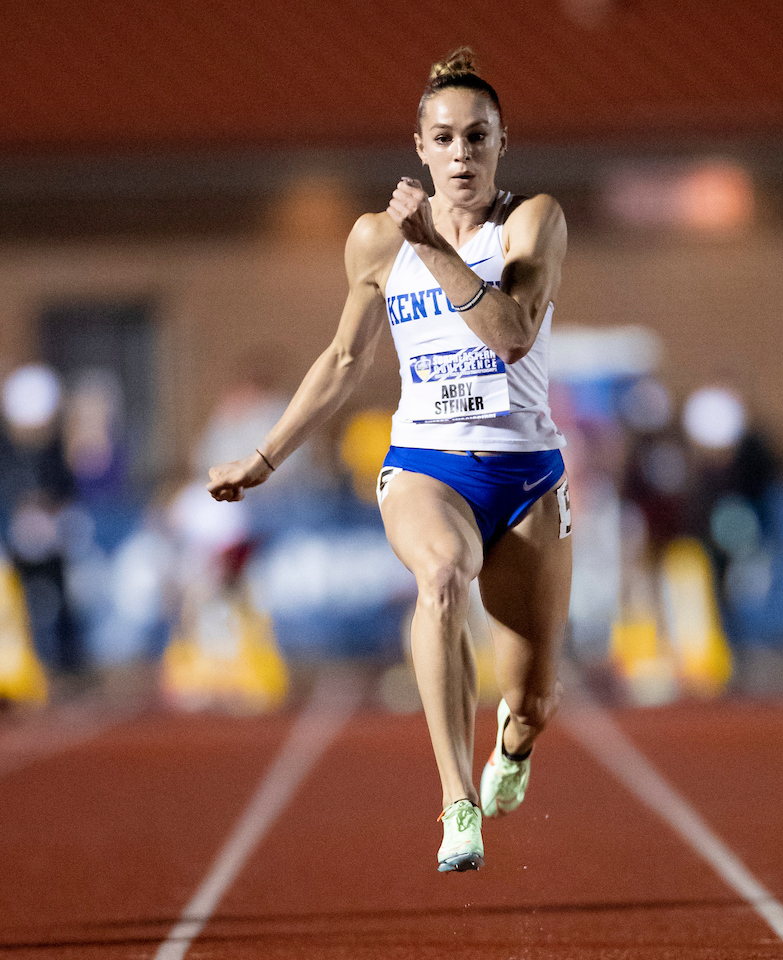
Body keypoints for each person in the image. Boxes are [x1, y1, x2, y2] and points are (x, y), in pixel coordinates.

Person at [207, 48, 572, 873]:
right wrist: (263, 459)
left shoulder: (533, 222)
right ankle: (456, 799)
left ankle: (510, 749)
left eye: (477, 138)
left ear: (502, 143)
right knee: (440, 577)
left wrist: (434, 249)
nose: (462, 156)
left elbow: (513, 336)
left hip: (525, 475)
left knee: (535, 699)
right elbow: (342, 362)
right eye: (444, 138)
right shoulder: (375, 240)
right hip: (425, 463)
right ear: (419, 146)